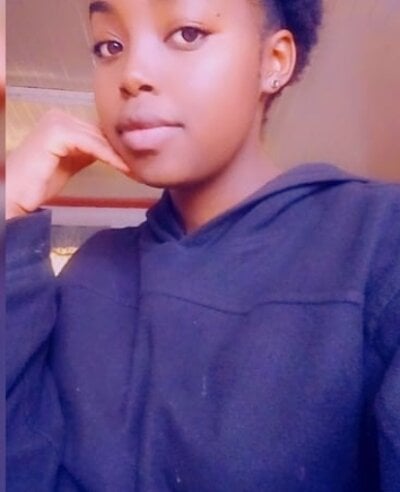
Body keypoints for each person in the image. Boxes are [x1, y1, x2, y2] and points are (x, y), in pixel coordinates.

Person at [5, 0, 400, 490]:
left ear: (274, 61)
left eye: (187, 34)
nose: (132, 75)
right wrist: (9, 209)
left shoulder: (377, 242)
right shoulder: (92, 271)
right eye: (109, 45)